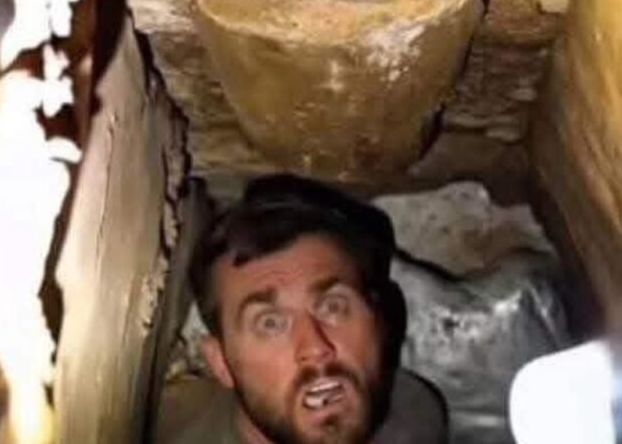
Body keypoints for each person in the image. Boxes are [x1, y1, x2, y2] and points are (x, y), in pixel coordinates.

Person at [183, 173, 446, 444]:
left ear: (379, 320)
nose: (315, 348)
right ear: (221, 363)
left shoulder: (412, 414)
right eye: (270, 323)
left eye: (332, 307)